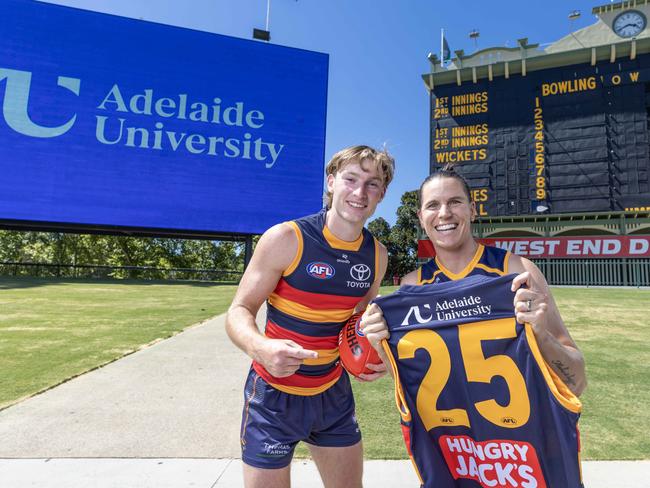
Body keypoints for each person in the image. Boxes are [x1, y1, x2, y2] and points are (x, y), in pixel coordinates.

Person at [361, 168, 587, 486]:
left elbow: (576, 381)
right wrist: (379, 341)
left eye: (455, 202)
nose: (445, 213)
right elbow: (407, 385)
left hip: (525, 459)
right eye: (433, 205)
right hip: (456, 463)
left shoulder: (517, 271)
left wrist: (540, 334)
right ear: (421, 216)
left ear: (472, 210)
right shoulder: (412, 288)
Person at [225, 145, 394, 488]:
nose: (359, 192)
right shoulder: (287, 238)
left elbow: (362, 323)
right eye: (351, 179)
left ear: (381, 194)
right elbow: (239, 311)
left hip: (333, 395)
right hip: (272, 396)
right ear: (332, 182)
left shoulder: (377, 255)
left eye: (372, 184)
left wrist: (381, 355)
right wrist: (260, 348)